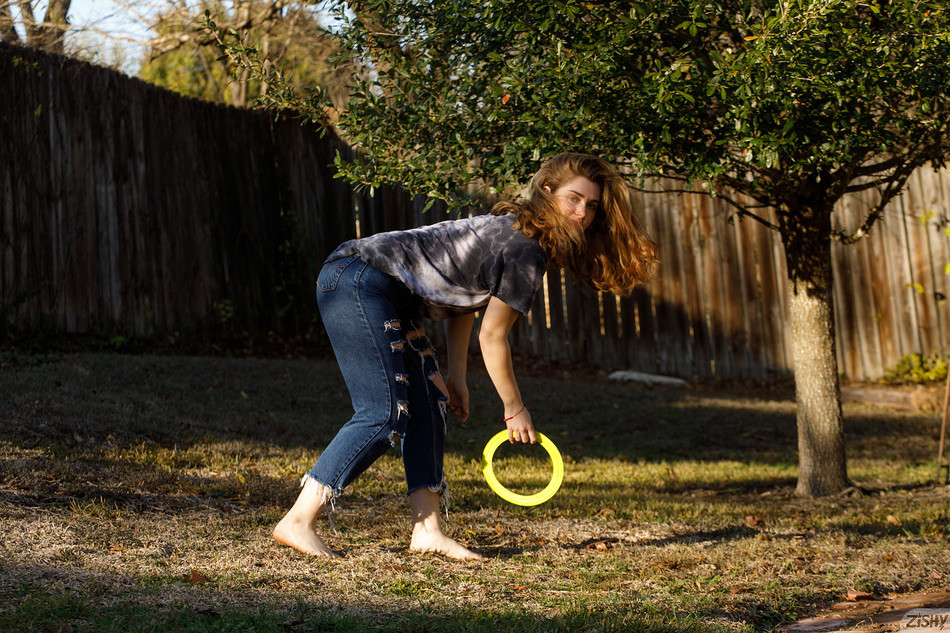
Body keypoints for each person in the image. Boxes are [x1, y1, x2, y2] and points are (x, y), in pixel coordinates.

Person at [272, 153, 658, 560]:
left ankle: (428, 531)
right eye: (574, 199)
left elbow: (463, 303)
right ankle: (298, 519)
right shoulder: (527, 247)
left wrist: (457, 377)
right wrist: (514, 409)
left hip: (370, 284)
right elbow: (493, 337)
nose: (582, 212)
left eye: (592, 205)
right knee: (383, 412)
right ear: (547, 191)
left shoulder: (518, 235)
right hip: (360, 279)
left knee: (430, 404)